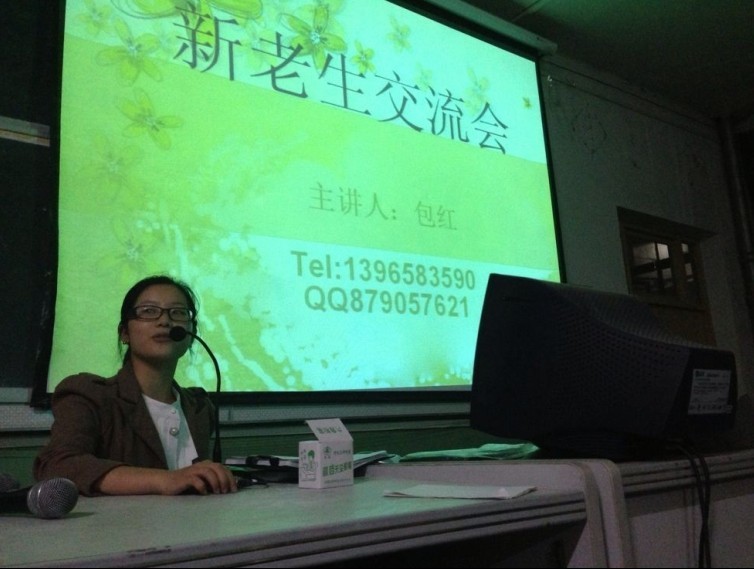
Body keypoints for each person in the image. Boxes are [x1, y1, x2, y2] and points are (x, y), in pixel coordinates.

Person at [34, 275, 237, 496]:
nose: (165, 321)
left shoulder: (199, 406)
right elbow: (58, 465)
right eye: (149, 311)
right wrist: (165, 480)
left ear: (191, 333)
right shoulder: (88, 395)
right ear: (124, 333)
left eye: (178, 312)